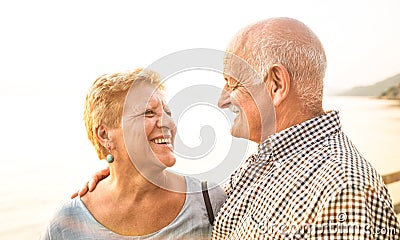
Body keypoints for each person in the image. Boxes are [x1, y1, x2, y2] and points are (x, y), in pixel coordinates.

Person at [77, 17, 400, 239]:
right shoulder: (270, 163)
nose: (221, 100)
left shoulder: (342, 192)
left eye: (232, 83)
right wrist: (126, 178)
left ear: (275, 84)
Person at [40, 68, 226, 239]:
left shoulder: (208, 200)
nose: (167, 123)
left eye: (167, 112)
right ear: (104, 135)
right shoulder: (65, 225)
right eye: (149, 112)